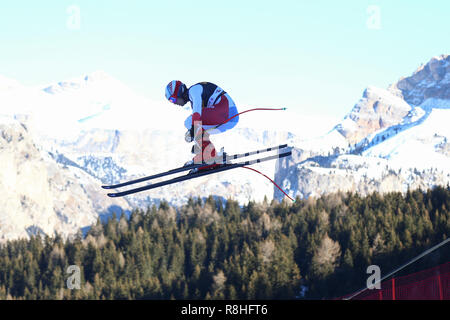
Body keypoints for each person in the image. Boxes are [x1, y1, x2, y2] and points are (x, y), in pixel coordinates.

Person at [165, 80, 239, 172]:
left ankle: (207, 157)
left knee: (189, 122)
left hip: (226, 112)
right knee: (199, 130)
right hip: (229, 119)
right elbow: (200, 129)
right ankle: (212, 157)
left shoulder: (194, 90)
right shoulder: (193, 95)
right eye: (171, 101)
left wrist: (193, 127)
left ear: (179, 92)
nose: (175, 103)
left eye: (173, 99)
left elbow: (197, 112)